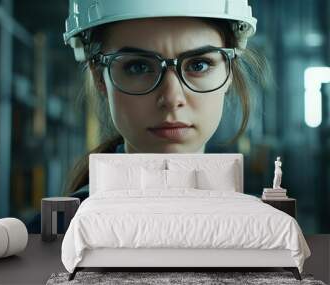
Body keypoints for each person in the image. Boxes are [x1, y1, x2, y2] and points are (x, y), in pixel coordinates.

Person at [63, 0, 269, 202]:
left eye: (198, 65)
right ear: (100, 77)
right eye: (138, 67)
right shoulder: (60, 230)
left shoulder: (263, 228)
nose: (171, 99)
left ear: (229, 71)